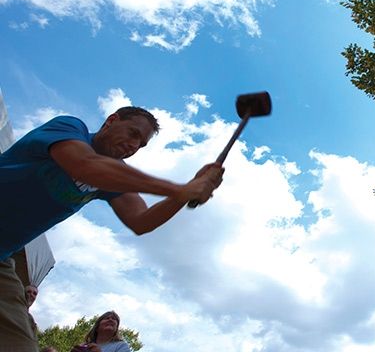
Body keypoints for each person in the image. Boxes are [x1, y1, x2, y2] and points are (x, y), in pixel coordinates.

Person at [0, 107, 224, 352]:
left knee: (19, 344)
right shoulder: (69, 128)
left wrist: (186, 192)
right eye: (132, 133)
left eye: (141, 143)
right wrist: (178, 189)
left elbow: (141, 220)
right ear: (111, 120)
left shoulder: (115, 174)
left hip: (3, 256)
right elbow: (85, 165)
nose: (133, 145)